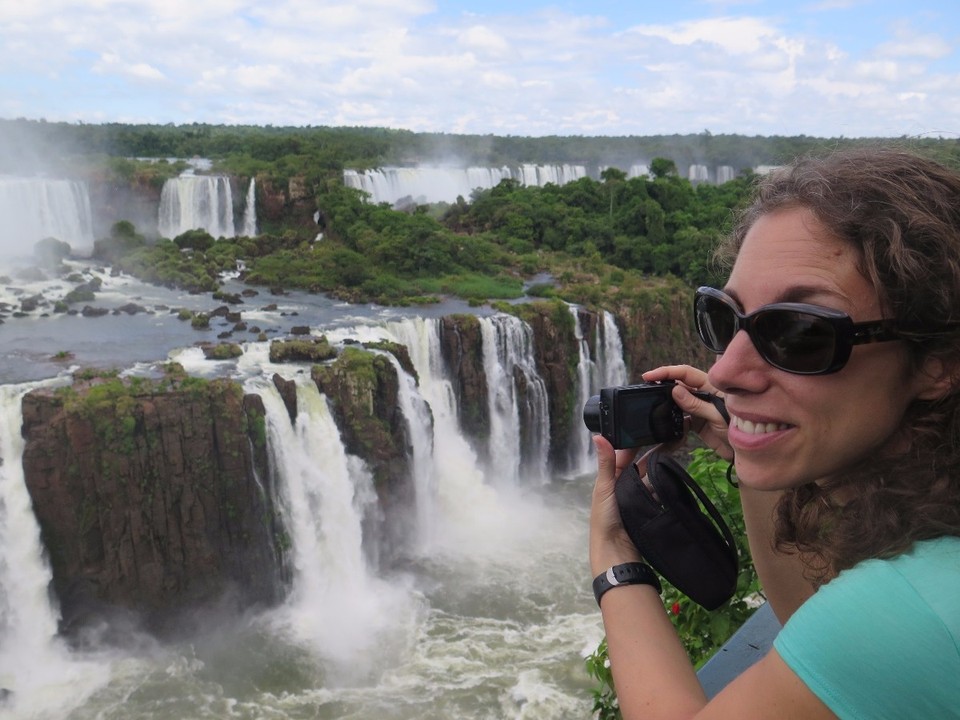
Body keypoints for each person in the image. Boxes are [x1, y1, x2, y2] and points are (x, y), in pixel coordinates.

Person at [589, 147, 960, 719]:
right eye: (723, 318)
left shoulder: (906, 614)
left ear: (938, 361)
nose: (725, 372)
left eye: (798, 333)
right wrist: (755, 448)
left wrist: (614, 557)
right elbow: (807, 630)